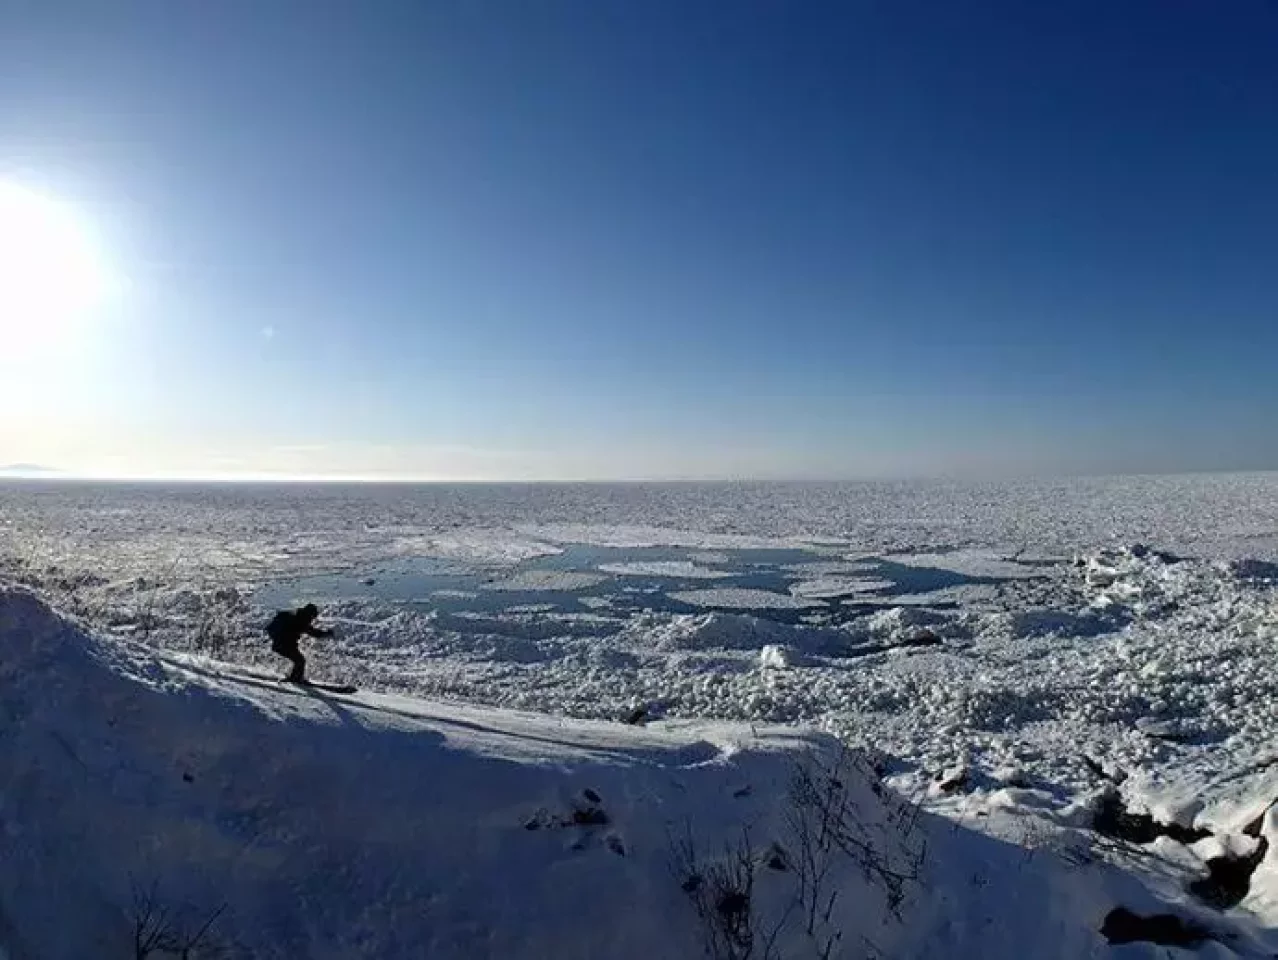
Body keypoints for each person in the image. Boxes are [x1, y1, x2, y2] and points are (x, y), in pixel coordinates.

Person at [266, 603, 333, 683]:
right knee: (300, 660)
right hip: (283, 645)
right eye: (313, 616)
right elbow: (314, 633)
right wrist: (327, 633)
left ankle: (295, 678)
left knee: (299, 660)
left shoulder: (297, 616)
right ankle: (295, 679)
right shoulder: (301, 620)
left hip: (281, 644)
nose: (312, 619)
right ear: (309, 614)